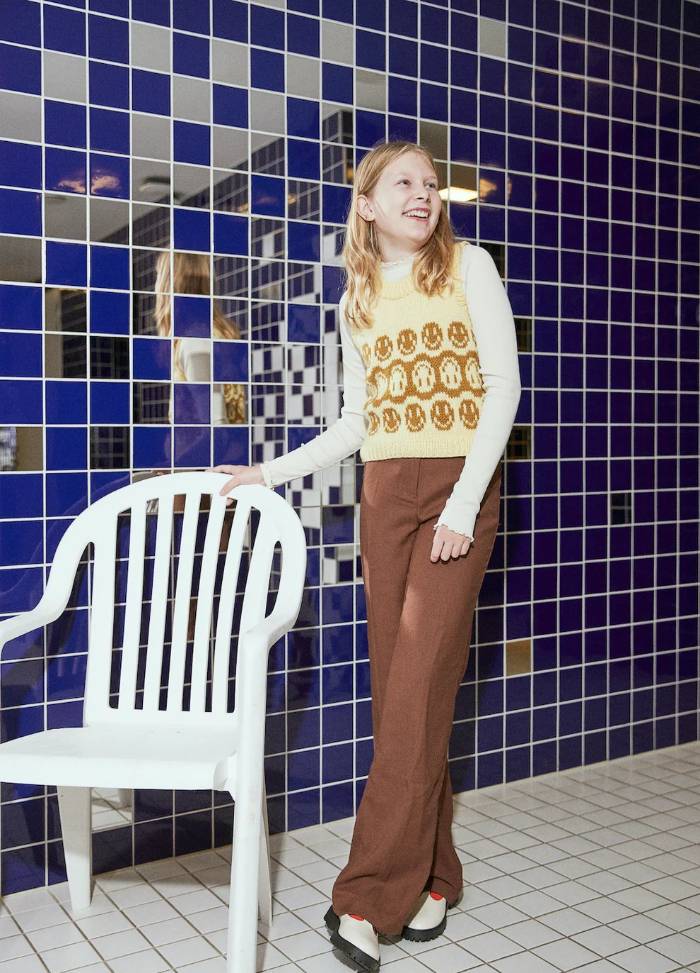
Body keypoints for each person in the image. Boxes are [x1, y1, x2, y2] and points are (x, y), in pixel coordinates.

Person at [215, 139, 521, 973]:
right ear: (368, 205)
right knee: (403, 695)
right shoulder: (356, 299)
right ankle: (434, 879)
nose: (423, 194)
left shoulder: (471, 269)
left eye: (431, 184)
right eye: (404, 184)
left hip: (461, 487)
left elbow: (504, 387)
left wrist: (463, 504)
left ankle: (365, 896)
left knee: (419, 684)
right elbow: (358, 422)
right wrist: (267, 471)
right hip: (384, 493)